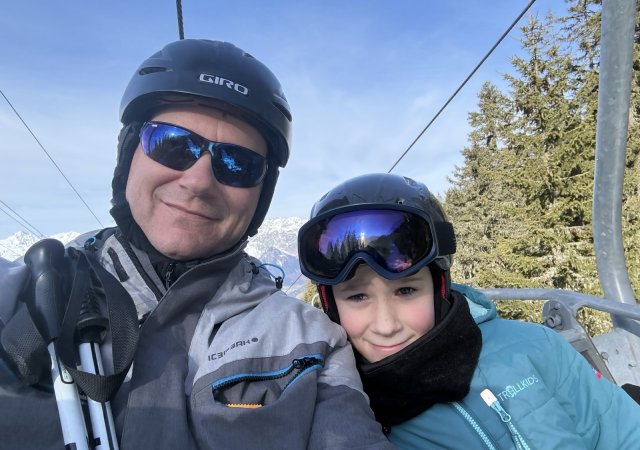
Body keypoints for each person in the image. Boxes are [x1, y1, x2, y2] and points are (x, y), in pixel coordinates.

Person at [0, 40, 394, 450]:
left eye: (238, 163)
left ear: (261, 196)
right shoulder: (21, 293)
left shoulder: (308, 341)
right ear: (128, 155)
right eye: (172, 144)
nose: (199, 181)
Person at [297, 172, 640, 449]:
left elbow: (621, 432)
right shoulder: (342, 413)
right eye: (358, 297)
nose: (386, 326)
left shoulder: (534, 347)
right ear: (331, 305)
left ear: (439, 287)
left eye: (406, 290)